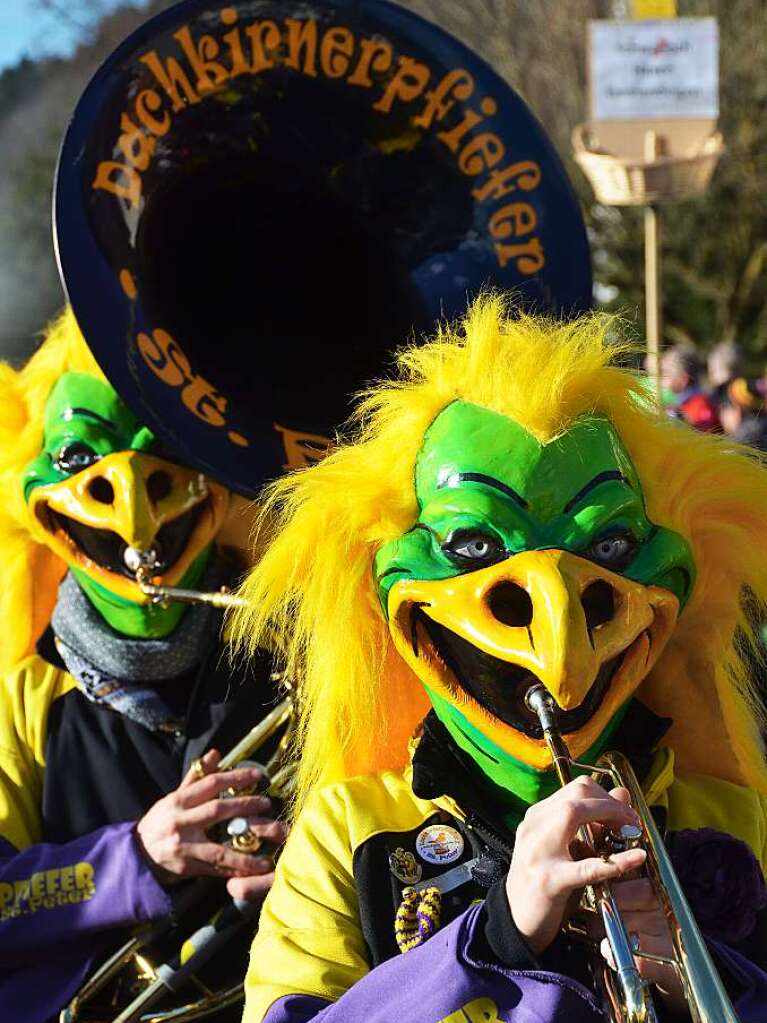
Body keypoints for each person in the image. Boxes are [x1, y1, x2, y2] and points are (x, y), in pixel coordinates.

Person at [230, 297, 767, 1023]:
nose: (556, 621)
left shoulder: (728, 813)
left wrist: (704, 979)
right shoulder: (346, 831)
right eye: (478, 548)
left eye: (604, 548)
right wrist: (495, 935)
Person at [0, 309, 288, 1023]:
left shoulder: (302, 652)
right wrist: (135, 858)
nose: (130, 499)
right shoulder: (24, 693)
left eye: (163, 451)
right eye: (78, 458)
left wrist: (323, 878)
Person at [659, 345, 719, 431]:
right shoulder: (675, 404)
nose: (660, 378)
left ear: (683, 380)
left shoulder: (701, 407)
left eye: (666, 373)